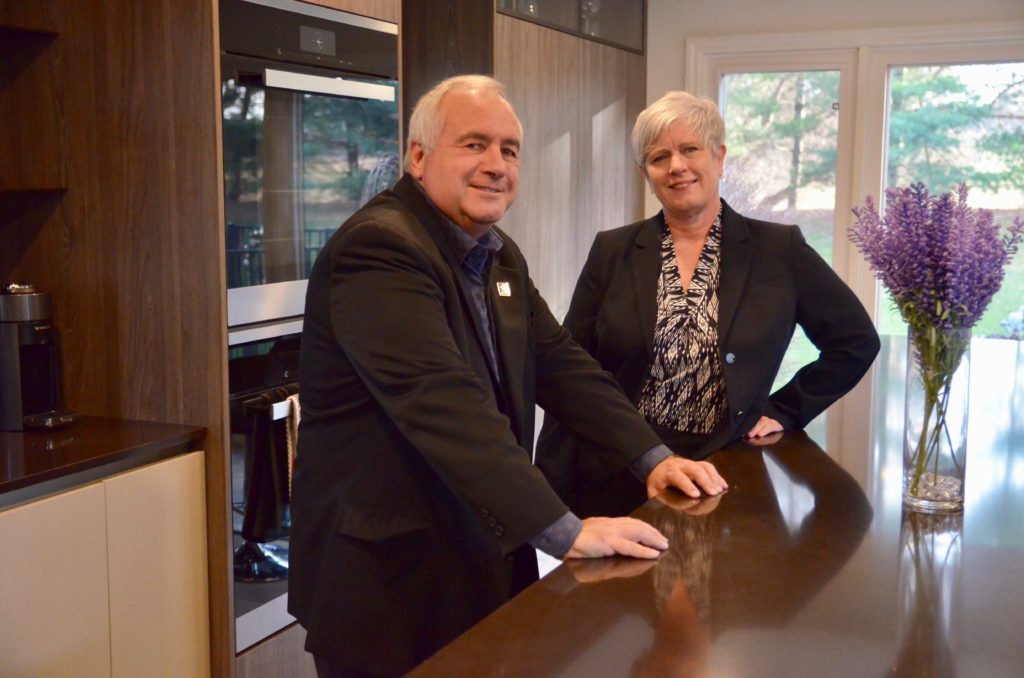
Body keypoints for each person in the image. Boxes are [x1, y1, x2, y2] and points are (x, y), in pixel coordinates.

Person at [288, 76, 727, 678]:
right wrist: (565, 531)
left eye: (510, 150)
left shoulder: (497, 253)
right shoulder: (379, 250)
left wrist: (652, 458)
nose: (496, 165)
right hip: (391, 582)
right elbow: (445, 405)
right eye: (474, 144)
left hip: (478, 560)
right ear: (419, 157)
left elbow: (562, 363)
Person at [535, 91, 879, 517]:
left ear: (719, 157)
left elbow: (855, 341)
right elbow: (571, 366)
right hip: (620, 472)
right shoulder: (612, 250)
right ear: (645, 173)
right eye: (659, 157)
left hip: (727, 474)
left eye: (690, 149)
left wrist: (787, 409)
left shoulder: (779, 250)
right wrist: (551, 478)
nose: (676, 166)